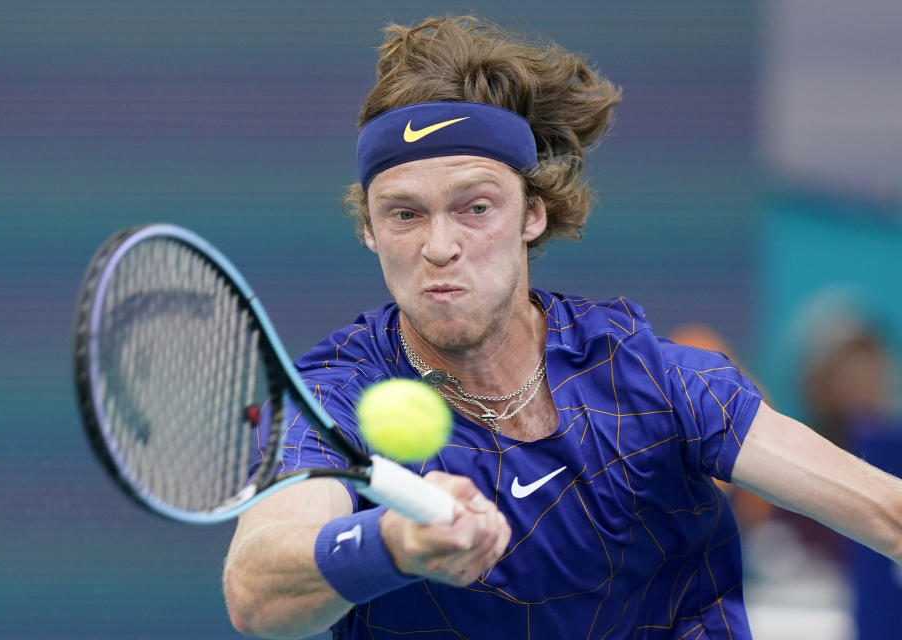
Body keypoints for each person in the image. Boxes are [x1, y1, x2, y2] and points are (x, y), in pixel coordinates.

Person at [223, 16, 902, 639]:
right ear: (369, 230)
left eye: (475, 207)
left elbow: (888, 513)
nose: (438, 245)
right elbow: (254, 589)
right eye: (404, 214)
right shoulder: (333, 399)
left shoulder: (650, 378)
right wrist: (393, 543)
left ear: (532, 216)